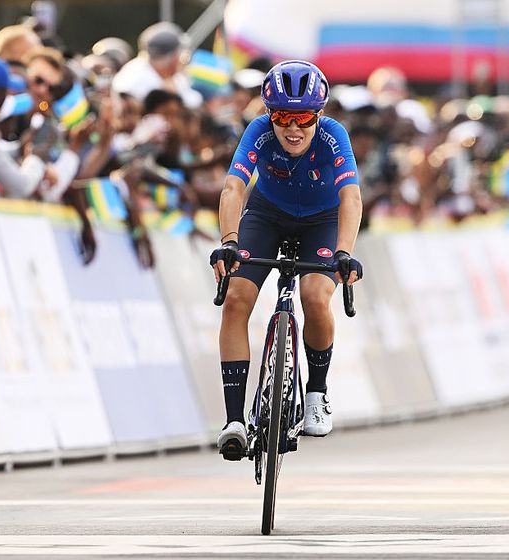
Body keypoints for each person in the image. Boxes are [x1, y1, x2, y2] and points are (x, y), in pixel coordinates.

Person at [210, 60, 363, 460]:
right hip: (268, 214)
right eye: (282, 118)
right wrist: (229, 241)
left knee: (315, 295)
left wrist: (345, 253)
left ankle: (316, 393)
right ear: (268, 114)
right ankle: (234, 421)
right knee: (237, 298)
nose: (293, 129)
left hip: (322, 221)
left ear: (319, 115)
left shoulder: (333, 135)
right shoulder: (258, 132)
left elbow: (351, 198)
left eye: (303, 119)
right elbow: (232, 187)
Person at [111, 22, 201, 109]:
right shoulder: (134, 77)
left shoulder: (172, 76)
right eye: (180, 53)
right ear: (174, 58)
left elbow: (195, 101)